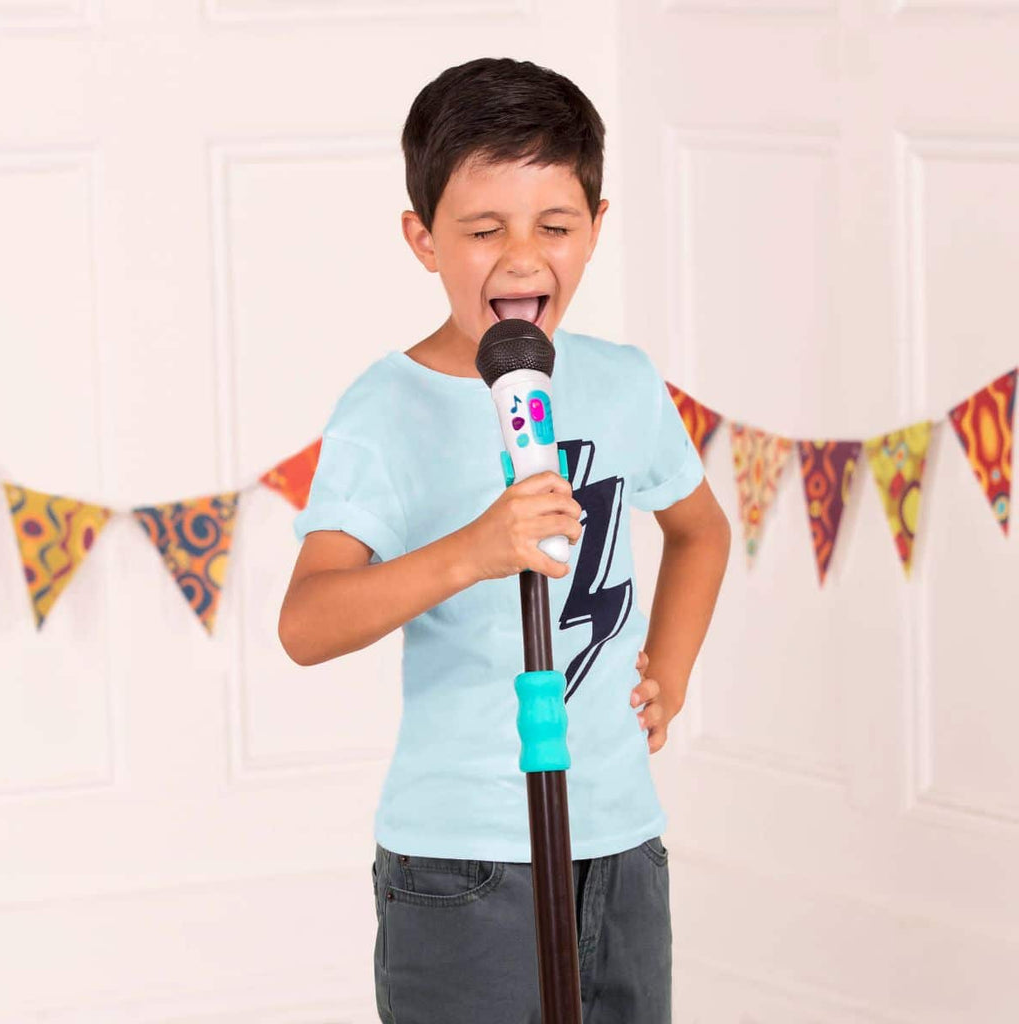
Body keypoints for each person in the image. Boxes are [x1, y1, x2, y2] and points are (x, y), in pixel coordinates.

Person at [278, 56, 731, 1024]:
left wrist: (671, 670)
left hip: (619, 845)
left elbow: (699, 531)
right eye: (484, 230)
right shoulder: (386, 407)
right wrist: (472, 551)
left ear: (596, 227)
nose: (523, 260)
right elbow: (307, 623)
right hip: (465, 862)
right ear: (423, 238)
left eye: (554, 226)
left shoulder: (622, 380)